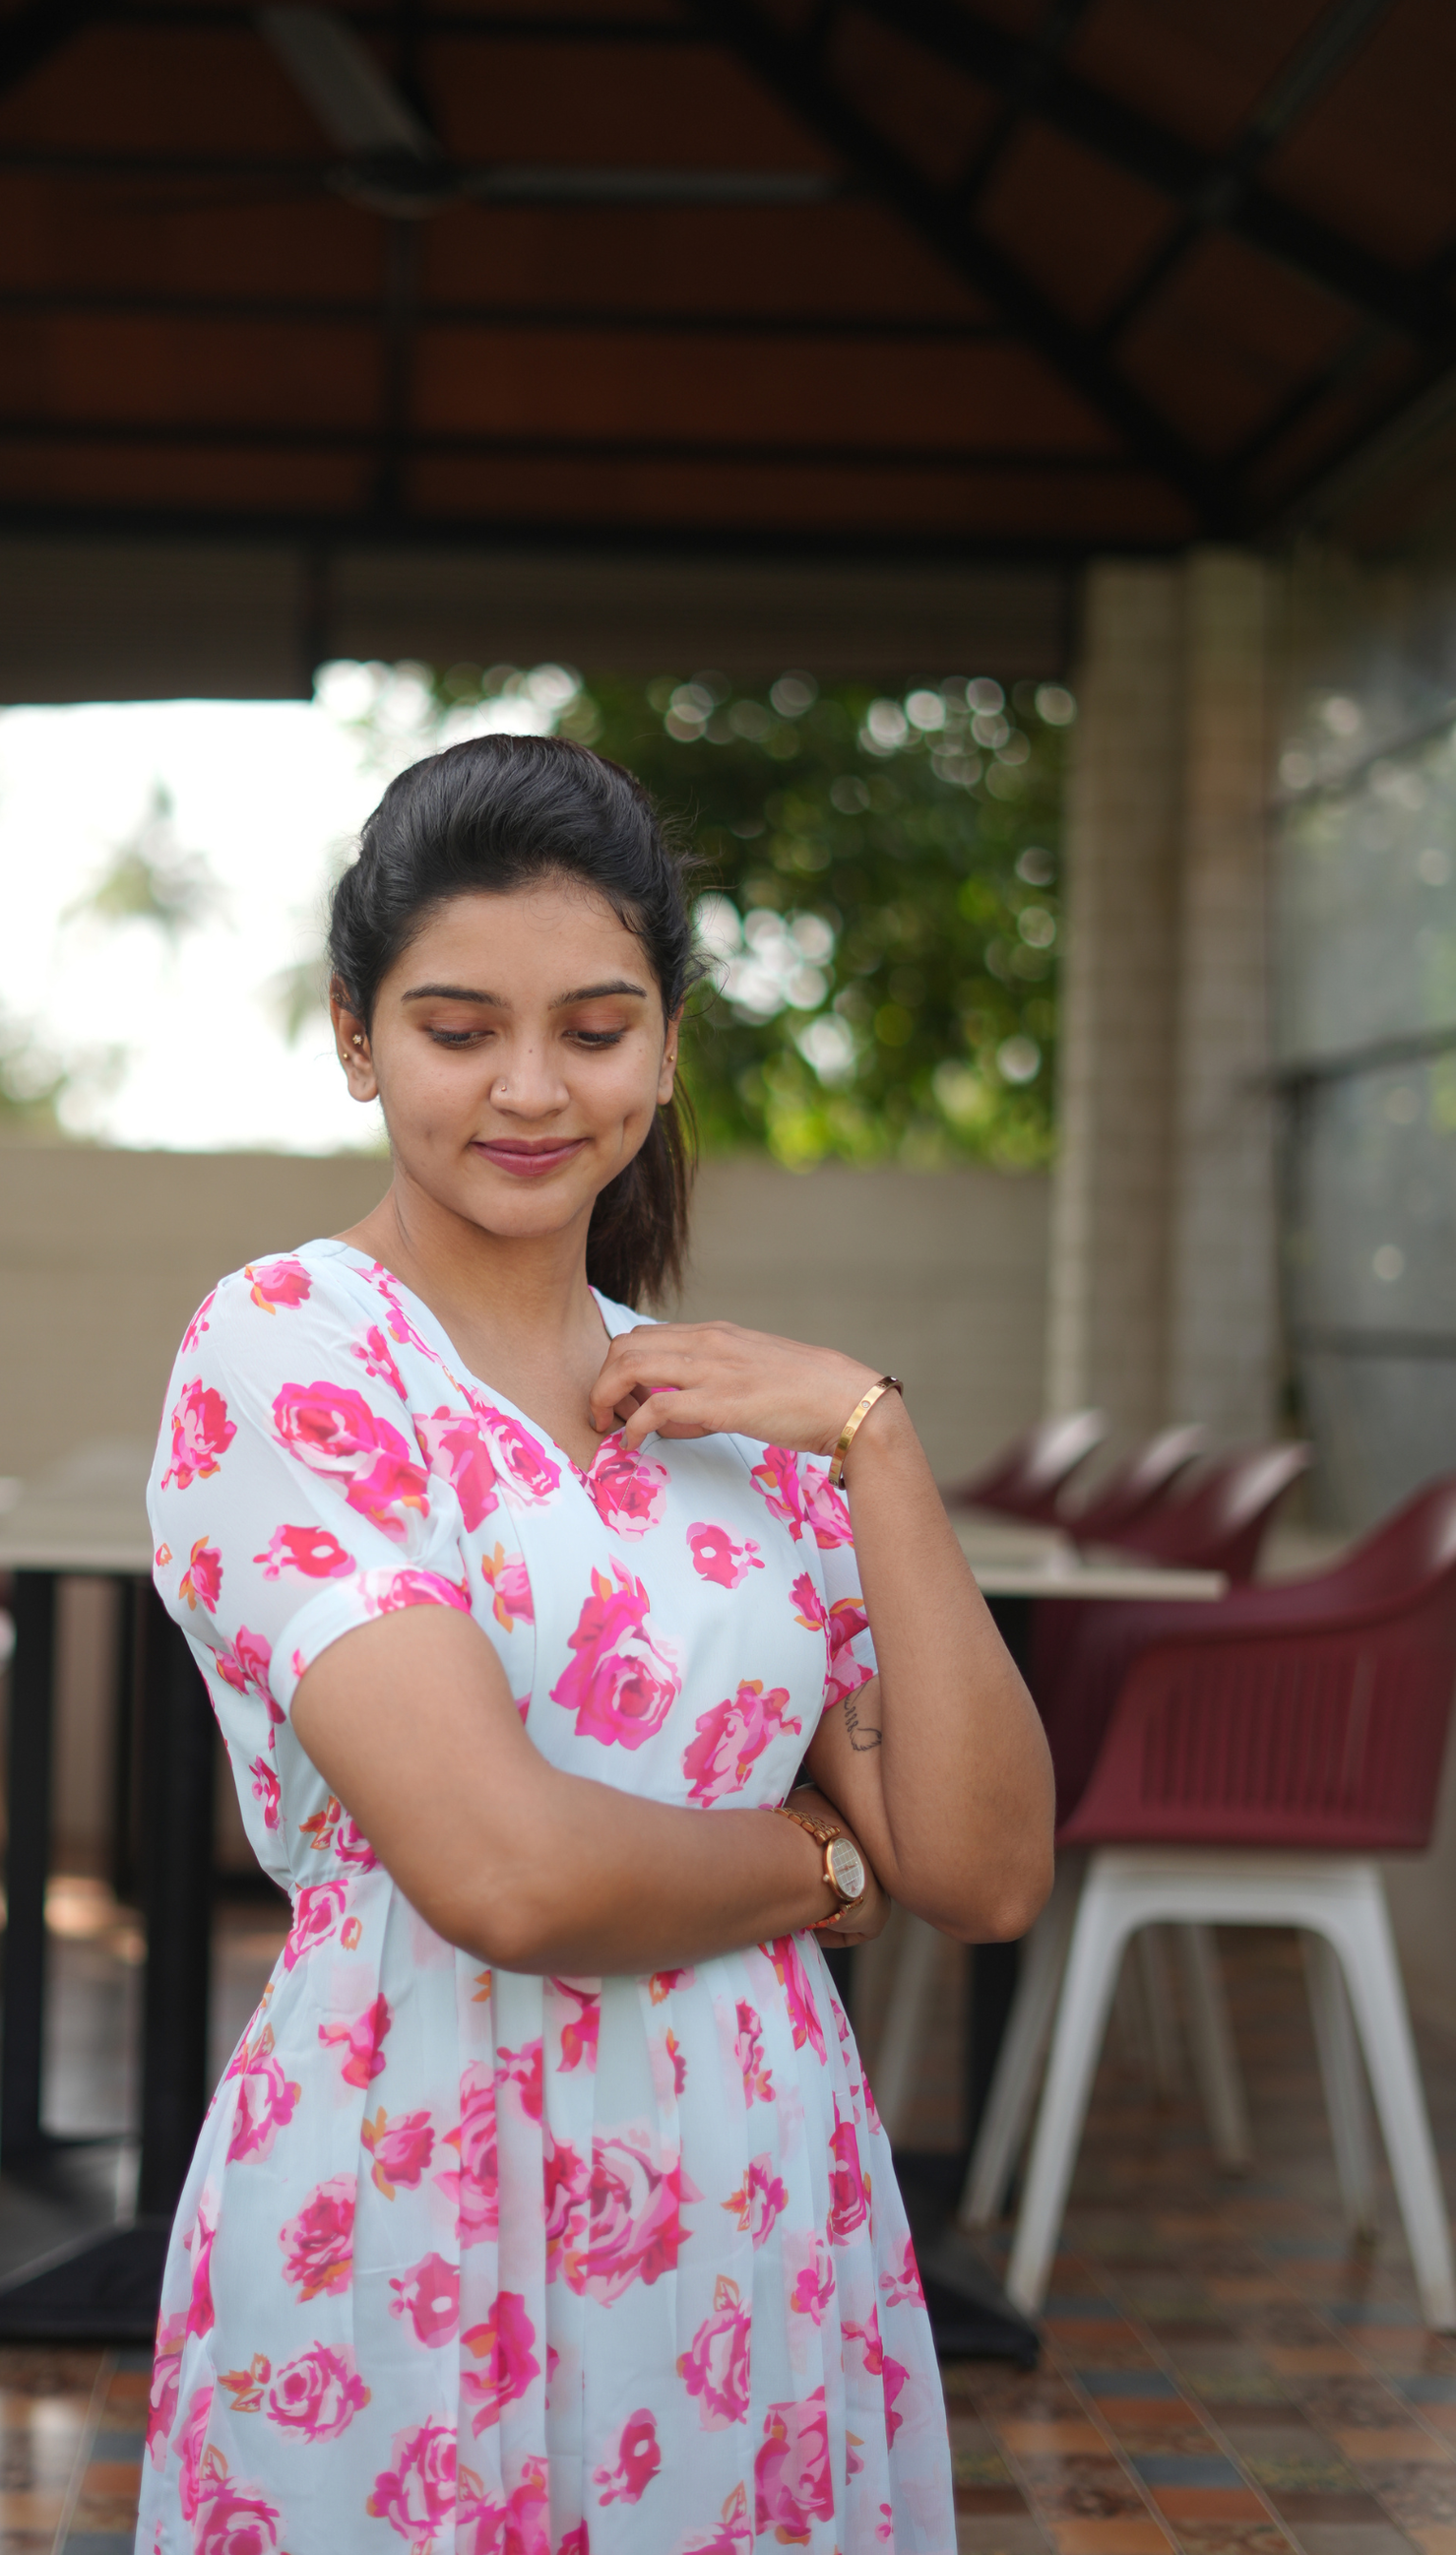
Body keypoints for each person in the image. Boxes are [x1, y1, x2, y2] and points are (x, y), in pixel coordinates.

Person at [137, 734, 1053, 2555]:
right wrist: (821, 1862)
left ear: (665, 1045)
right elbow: (508, 1873)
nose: (531, 1087)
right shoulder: (293, 1352)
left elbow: (985, 1864)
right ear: (356, 1036)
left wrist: (872, 1438)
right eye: (458, 1028)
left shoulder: (730, 1416)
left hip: (752, 2221)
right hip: (416, 2204)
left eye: (594, 1026)